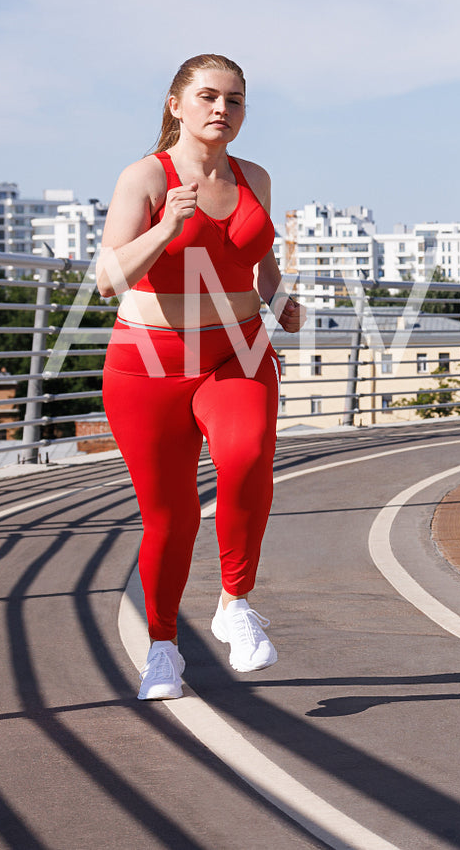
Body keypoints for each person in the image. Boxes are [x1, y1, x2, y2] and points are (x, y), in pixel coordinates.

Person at [96, 54, 306, 701]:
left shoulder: (255, 178)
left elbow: (259, 261)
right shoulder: (145, 178)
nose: (222, 109)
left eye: (235, 100)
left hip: (236, 352)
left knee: (246, 461)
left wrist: (280, 300)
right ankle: (162, 649)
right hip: (148, 364)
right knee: (171, 516)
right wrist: (167, 227)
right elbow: (108, 279)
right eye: (209, 96)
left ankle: (234, 603)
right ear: (175, 104)